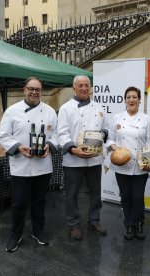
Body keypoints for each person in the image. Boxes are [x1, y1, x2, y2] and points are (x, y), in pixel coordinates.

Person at [0, 77, 59, 253]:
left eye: (37, 89)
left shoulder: (49, 112)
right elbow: (2, 135)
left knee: (39, 201)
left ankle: (38, 231)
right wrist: (18, 148)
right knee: (19, 203)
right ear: (24, 90)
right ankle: (14, 235)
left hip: (43, 165)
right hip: (20, 165)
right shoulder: (12, 111)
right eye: (31, 89)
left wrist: (50, 146)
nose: (34, 92)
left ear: (41, 91)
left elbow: (56, 135)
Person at [57, 75, 108, 240]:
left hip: (94, 159)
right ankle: (74, 224)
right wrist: (73, 149)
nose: (84, 88)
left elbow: (106, 129)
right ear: (74, 88)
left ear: (90, 87)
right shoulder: (66, 108)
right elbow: (62, 134)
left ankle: (94, 220)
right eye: (80, 85)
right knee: (71, 194)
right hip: (73, 159)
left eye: (87, 85)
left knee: (95, 192)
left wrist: (102, 137)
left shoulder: (99, 107)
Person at [106, 87, 150, 241]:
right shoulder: (117, 118)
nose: (131, 100)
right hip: (121, 164)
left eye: (134, 97)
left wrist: (149, 161)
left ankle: (139, 223)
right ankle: (129, 224)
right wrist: (114, 147)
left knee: (138, 197)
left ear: (139, 100)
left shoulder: (147, 119)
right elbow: (110, 138)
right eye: (128, 97)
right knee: (125, 196)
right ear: (124, 100)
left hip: (140, 165)